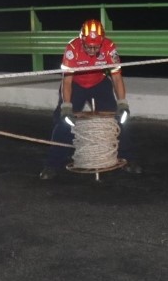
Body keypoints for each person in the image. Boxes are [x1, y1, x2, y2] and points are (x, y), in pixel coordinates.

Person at [39, 19, 139, 180]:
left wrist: (122, 103)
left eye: (96, 47)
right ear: (82, 41)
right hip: (76, 85)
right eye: (88, 47)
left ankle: (127, 159)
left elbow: (117, 78)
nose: (92, 50)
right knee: (62, 121)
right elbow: (67, 80)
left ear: (102, 42)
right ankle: (53, 164)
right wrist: (66, 107)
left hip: (99, 83)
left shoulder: (109, 47)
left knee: (120, 119)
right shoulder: (72, 49)